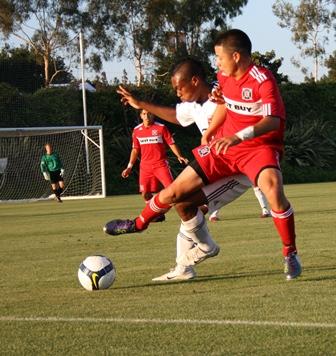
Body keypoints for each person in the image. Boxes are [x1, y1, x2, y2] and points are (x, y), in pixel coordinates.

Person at [105, 29, 302, 281]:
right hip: (222, 148)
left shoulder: (262, 80)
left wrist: (235, 135)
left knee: (273, 191)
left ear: (237, 56)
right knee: (176, 195)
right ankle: (139, 225)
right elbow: (216, 107)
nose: (217, 63)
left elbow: (273, 120)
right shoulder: (221, 80)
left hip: (255, 150)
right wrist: (210, 131)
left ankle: (289, 253)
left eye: (220, 57)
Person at [116, 59, 268, 281]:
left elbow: (254, 105)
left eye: (179, 87)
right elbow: (175, 115)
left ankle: (204, 248)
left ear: (195, 81)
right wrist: (141, 104)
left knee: (184, 202)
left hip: (238, 170)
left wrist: (228, 100)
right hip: (215, 164)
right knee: (184, 205)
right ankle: (184, 268)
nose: (177, 93)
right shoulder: (193, 105)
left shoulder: (222, 94)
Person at [122, 109, 188, 221]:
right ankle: (158, 214)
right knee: (145, 194)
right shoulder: (137, 130)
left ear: (153, 114)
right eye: (144, 114)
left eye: (149, 113)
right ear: (141, 116)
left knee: (172, 191)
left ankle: (186, 211)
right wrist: (129, 167)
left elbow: (171, 143)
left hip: (160, 164)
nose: (147, 115)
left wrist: (179, 156)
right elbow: (135, 149)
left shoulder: (161, 128)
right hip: (145, 167)